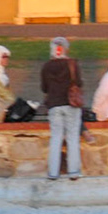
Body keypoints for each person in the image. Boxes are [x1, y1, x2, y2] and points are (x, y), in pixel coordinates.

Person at [39, 36, 83, 181]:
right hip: (71, 104)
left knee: (56, 138)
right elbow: (79, 83)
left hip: (54, 105)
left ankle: (53, 172)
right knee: (72, 137)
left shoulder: (46, 66)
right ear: (66, 49)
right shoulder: (72, 64)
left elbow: (44, 88)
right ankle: (73, 171)